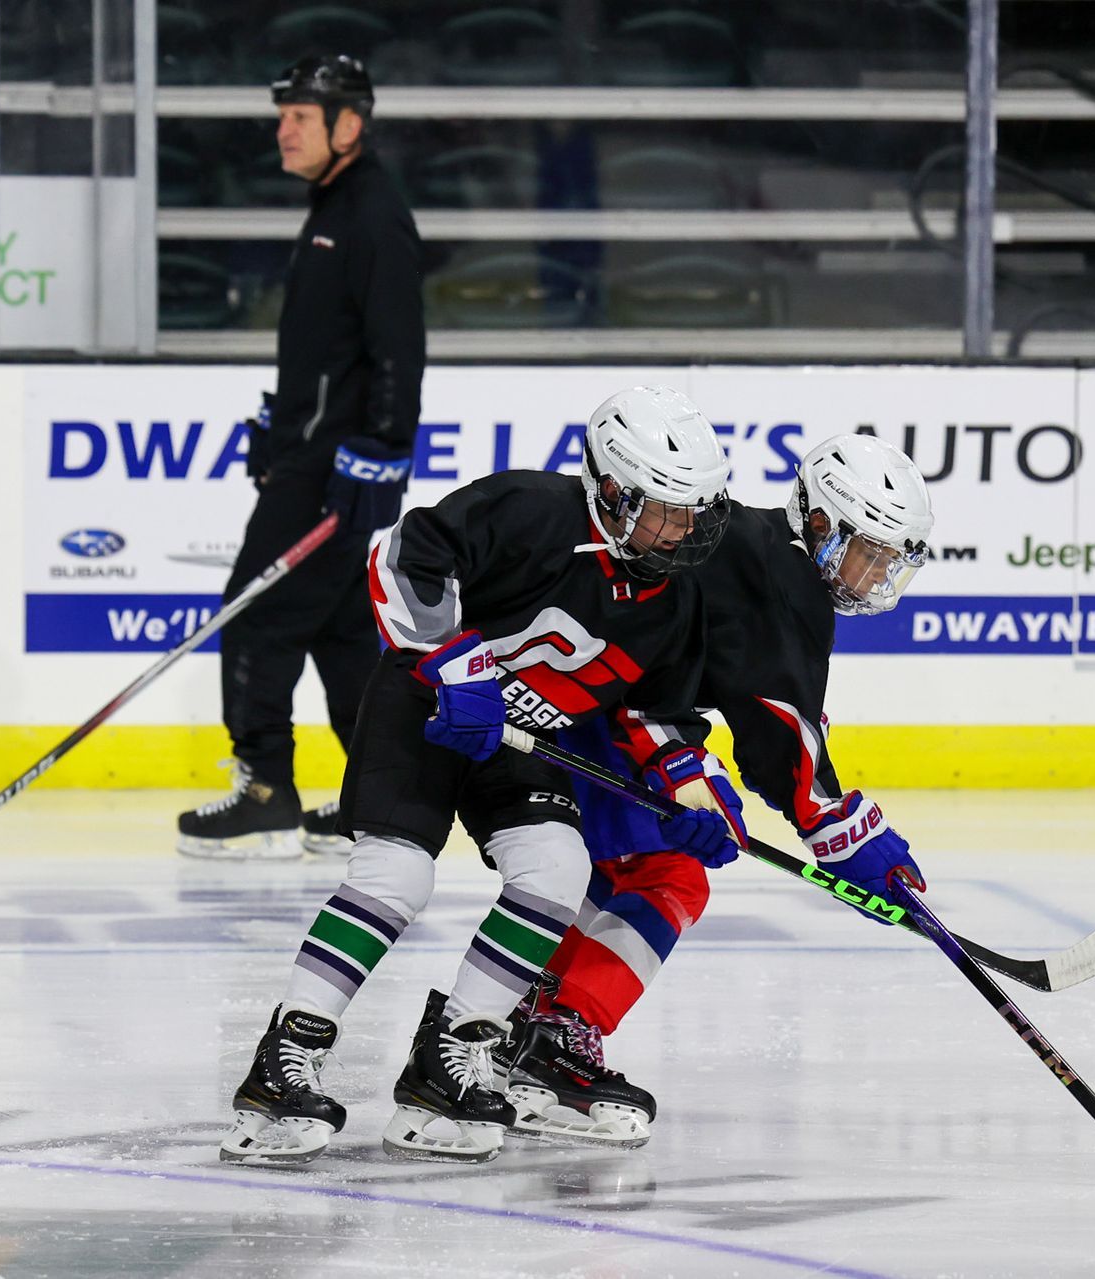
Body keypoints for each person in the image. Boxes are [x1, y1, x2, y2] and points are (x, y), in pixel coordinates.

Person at [218, 387, 747, 1167]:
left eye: (690, 511)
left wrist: (688, 793)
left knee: (558, 869)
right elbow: (402, 555)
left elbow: (656, 711)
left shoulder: (671, 597)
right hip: (428, 705)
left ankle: (450, 1059)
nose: (679, 529)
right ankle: (284, 1059)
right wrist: (459, 668)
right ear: (608, 485)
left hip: (522, 742)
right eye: (661, 508)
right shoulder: (533, 509)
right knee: (396, 877)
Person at [496, 434, 936, 1148]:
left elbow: (778, 716)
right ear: (821, 524)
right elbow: (777, 730)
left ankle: (522, 1020)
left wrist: (814, 807)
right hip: (601, 706)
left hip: (579, 693)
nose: (880, 571)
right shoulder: (782, 578)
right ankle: (558, 1036)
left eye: (892, 559)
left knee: (618, 870)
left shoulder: (763, 550)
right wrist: (840, 830)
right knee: (670, 873)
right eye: (872, 550)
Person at [177, 54, 425, 861]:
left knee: (253, 615)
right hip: (313, 458)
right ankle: (378, 802)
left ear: (348, 125)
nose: (283, 129)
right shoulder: (335, 207)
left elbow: (398, 349)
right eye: (282, 114)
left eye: (300, 116)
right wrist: (281, 423)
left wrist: (382, 452)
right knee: (345, 634)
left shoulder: (371, 214)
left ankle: (265, 792)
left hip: (331, 476)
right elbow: (331, 353)